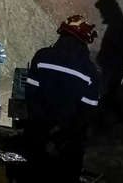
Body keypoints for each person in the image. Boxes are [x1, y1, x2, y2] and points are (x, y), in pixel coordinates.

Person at [23, 15, 100, 183]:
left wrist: (43, 132)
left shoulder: (42, 57)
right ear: (85, 40)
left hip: (37, 139)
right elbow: (87, 114)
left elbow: (30, 97)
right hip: (68, 148)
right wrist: (60, 137)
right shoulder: (90, 71)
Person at [94, 0, 123, 123]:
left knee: (109, 97)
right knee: (110, 98)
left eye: (102, 11)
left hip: (112, 71)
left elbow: (116, 52)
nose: (101, 15)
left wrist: (102, 59)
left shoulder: (118, 27)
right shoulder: (119, 25)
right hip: (113, 70)